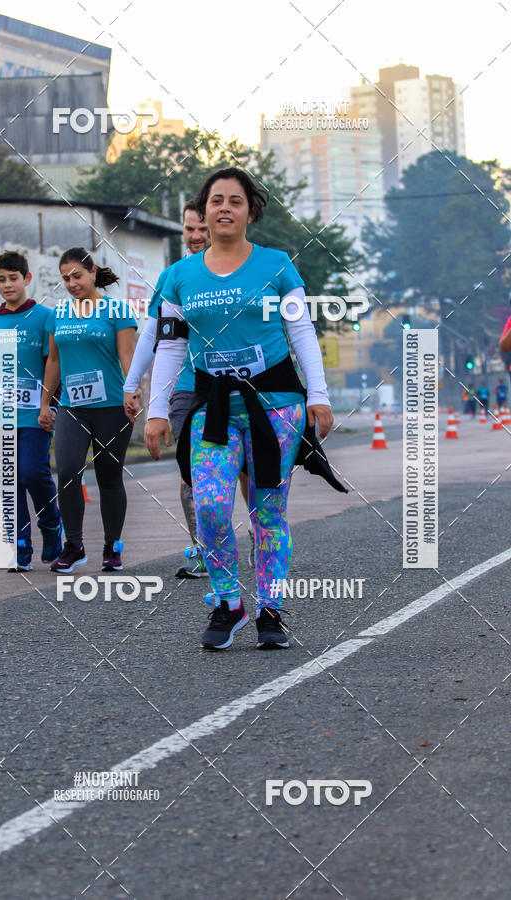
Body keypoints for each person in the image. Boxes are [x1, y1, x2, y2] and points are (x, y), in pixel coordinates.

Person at [145, 167, 333, 650]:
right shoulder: (180, 276)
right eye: (215, 200)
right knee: (209, 506)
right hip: (213, 407)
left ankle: (271, 611)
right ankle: (228, 603)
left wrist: (319, 395)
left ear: (251, 211)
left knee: (267, 512)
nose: (224, 208)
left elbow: (301, 333)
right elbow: (169, 347)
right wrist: (157, 410)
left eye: (235, 200)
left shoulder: (276, 265)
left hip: (277, 406)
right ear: (203, 211)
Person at [123, 200, 254, 578]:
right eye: (189, 230)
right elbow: (153, 332)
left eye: (202, 229)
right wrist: (134, 386)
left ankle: (260, 537)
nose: (196, 237)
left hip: (241, 387)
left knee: (246, 470)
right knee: (192, 471)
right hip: (188, 388)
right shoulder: (175, 276)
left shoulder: (245, 269)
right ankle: (204, 548)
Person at [0, 250, 62, 572]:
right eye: (2, 280)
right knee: (9, 484)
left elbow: (54, 366)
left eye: (14, 278)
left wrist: (52, 407)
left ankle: (51, 525)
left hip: (35, 415)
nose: (8, 285)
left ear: (27, 279)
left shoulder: (45, 318)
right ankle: (20, 549)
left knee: (33, 471)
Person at [38, 248, 136, 573]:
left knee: (109, 477)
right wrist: (45, 402)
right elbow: (53, 360)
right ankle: (74, 546)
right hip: (72, 408)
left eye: (77, 276)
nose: (71, 283)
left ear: (93, 272)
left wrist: (132, 392)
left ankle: (112, 547)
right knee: (67, 473)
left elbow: (127, 357)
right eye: (65, 278)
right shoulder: (59, 314)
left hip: (111, 407)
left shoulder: (117, 310)